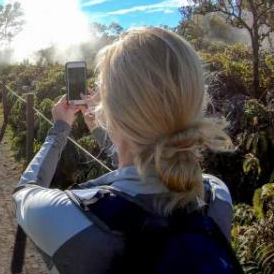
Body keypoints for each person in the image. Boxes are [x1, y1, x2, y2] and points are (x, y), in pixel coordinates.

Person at [13, 27, 240, 274]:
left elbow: (24, 192)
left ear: (111, 112)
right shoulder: (216, 196)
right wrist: (103, 130)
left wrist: (59, 129)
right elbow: (145, 171)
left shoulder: (67, 218)